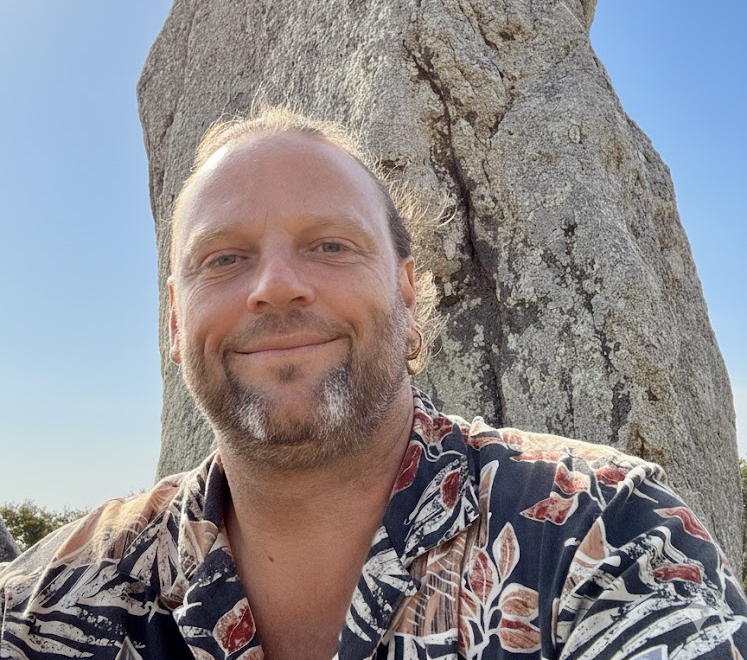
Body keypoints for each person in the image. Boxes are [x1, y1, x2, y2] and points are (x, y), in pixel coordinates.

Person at [1, 106, 745, 660]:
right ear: (173, 318)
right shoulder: (53, 601)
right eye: (223, 259)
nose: (276, 286)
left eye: (330, 245)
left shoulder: (605, 532)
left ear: (406, 294)